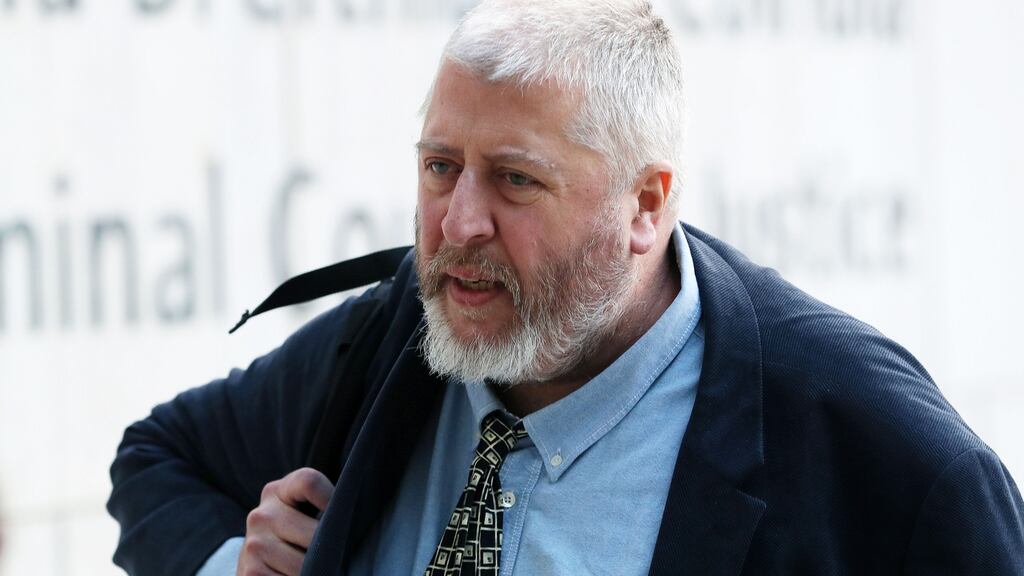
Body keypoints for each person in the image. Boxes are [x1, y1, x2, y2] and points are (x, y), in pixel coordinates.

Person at [107, 1, 1024, 574]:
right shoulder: (399, 333)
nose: (459, 223)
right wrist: (235, 565)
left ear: (644, 205)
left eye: (515, 179)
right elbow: (157, 458)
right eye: (440, 167)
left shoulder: (879, 452)